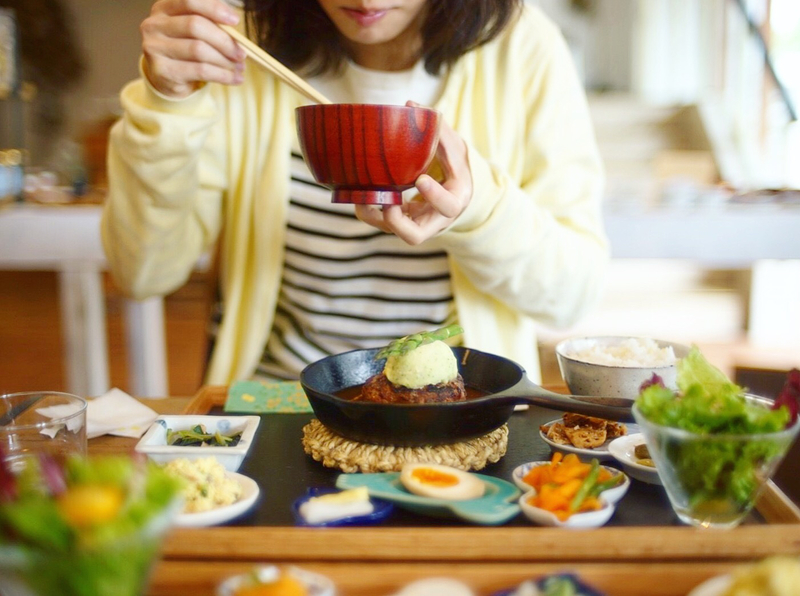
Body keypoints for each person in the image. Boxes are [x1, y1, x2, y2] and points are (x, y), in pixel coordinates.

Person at [101, 0, 609, 386]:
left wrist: (480, 211)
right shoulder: (238, 49)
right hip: (280, 402)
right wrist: (164, 105)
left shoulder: (522, 49)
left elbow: (572, 296)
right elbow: (144, 273)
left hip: (459, 408)